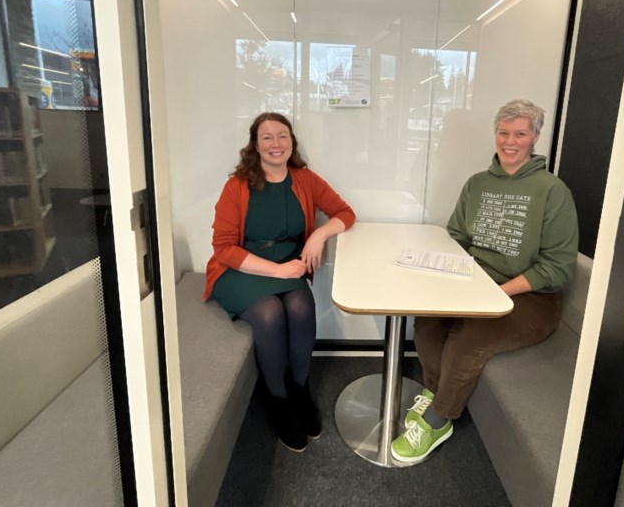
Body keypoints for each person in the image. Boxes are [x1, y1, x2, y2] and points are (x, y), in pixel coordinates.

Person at [391, 98, 579, 463]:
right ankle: (434, 391)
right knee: (428, 321)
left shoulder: (553, 191)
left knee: (471, 336)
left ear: (535, 137)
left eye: (520, 134)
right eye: (503, 132)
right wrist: (444, 274)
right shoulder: (477, 184)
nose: (510, 141)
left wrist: (494, 292)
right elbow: (457, 237)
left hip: (530, 298)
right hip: (475, 285)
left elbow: (557, 267)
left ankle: (439, 420)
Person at [203, 112, 356, 452]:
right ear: (255, 145)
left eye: (282, 136)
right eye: (267, 137)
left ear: (292, 143)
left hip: (290, 265)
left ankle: (299, 389)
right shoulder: (237, 186)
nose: (276, 144)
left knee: (301, 306)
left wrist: (318, 236)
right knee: (270, 312)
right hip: (243, 269)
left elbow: (345, 213)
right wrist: (277, 272)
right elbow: (224, 248)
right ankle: (277, 398)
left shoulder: (305, 179)